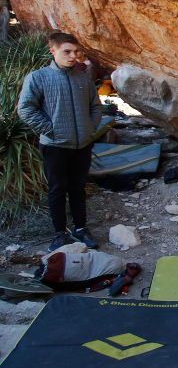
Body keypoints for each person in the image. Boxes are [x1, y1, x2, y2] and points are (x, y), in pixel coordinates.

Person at [18, 32, 102, 251]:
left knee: (78, 187)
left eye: (76, 51)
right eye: (67, 51)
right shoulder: (38, 77)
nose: (73, 56)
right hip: (54, 145)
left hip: (82, 144)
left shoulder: (83, 78)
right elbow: (25, 109)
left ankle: (81, 229)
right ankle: (59, 233)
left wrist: (90, 128)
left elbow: (95, 105)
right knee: (57, 189)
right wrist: (51, 130)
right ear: (53, 51)